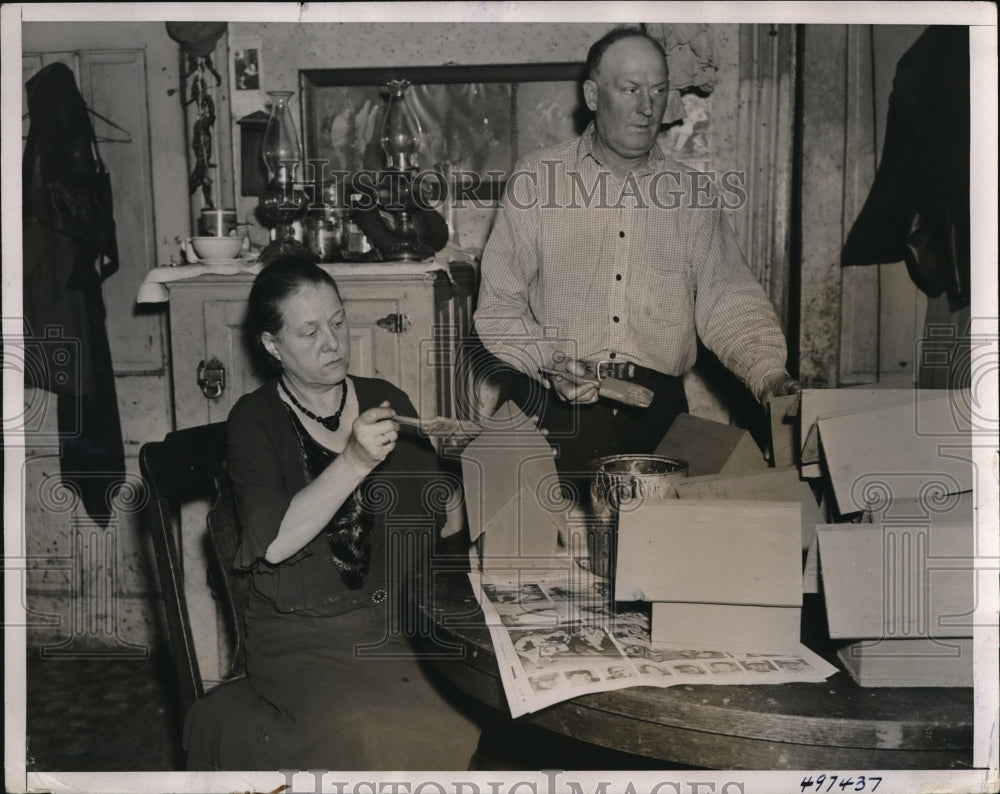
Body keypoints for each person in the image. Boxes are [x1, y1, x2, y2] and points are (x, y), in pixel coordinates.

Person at [183, 256, 481, 770]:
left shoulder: (385, 401)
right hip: (301, 637)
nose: (333, 343)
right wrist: (355, 460)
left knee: (481, 715)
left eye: (338, 322)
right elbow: (274, 541)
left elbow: (443, 523)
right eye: (309, 331)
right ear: (272, 346)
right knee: (373, 734)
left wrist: (482, 466)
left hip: (395, 621)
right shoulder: (254, 421)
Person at [474, 26, 800, 491]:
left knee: (659, 554)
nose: (648, 107)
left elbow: (729, 299)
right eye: (630, 89)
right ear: (592, 94)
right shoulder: (537, 180)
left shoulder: (692, 196)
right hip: (553, 403)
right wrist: (550, 360)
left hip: (657, 415)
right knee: (536, 551)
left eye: (659, 90)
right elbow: (497, 309)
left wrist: (770, 375)